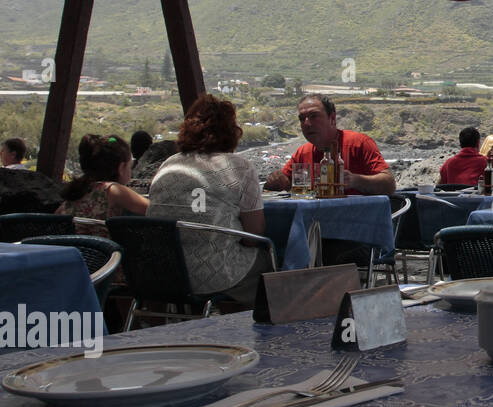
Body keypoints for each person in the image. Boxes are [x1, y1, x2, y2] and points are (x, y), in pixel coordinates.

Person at [146, 95, 271, 305]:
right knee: (277, 258)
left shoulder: (168, 165)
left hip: (166, 274)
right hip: (217, 275)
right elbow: (253, 236)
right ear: (232, 131)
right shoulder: (240, 167)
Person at [265, 94, 395, 195]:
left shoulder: (359, 143)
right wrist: (277, 180)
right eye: (301, 118)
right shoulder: (303, 152)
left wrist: (355, 180)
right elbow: (284, 182)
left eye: (313, 116)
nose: (306, 123)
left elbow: (389, 184)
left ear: (332, 118)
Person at [56, 134, 150, 235]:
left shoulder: (77, 189)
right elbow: (156, 209)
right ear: (121, 168)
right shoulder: (112, 190)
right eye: (129, 167)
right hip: (103, 250)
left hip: (73, 248)